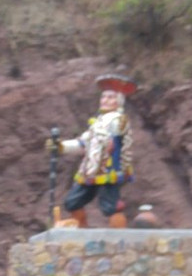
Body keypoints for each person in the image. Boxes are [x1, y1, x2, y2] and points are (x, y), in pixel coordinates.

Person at [47, 74, 137, 228]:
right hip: (90, 170)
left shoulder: (119, 120)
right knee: (73, 202)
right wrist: (61, 146)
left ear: (119, 101)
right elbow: (83, 144)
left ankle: (120, 237)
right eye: (103, 97)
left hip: (109, 170)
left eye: (110, 97)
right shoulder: (97, 123)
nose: (105, 101)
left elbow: (117, 133)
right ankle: (82, 228)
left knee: (111, 206)